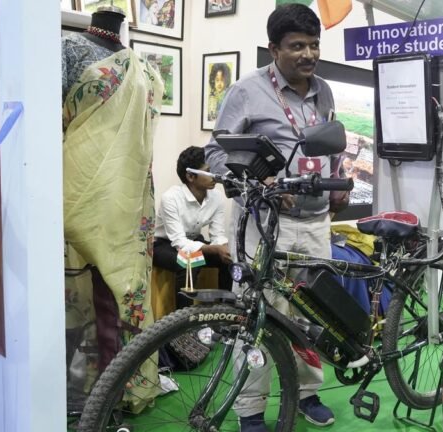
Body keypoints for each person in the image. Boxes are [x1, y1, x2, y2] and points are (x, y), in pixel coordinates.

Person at [205, 4, 337, 431]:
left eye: (314, 45)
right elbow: (216, 153)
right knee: (257, 315)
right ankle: (251, 409)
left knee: (309, 313)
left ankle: (307, 393)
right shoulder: (246, 91)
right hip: (262, 224)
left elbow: (327, 147)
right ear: (273, 49)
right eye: (297, 46)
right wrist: (259, 184)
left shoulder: (325, 92)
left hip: (315, 222)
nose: (308, 54)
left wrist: (337, 181)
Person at [62, 5, 164, 412]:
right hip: (77, 191)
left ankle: (118, 390)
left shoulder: (143, 66)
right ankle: (79, 392)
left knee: (123, 290)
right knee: (79, 294)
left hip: (129, 195)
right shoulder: (66, 50)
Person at [153, 146, 232, 307]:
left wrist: (223, 248)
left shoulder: (216, 197)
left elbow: (218, 234)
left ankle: (227, 313)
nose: (215, 175)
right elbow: (179, 243)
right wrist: (215, 249)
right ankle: (184, 322)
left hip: (194, 241)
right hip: (164, 245)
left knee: (229, 261)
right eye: (209, 170)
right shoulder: (171, 198)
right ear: (190, 176)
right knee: (190, 262)